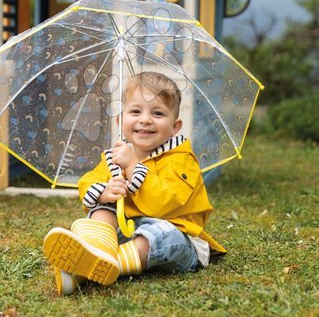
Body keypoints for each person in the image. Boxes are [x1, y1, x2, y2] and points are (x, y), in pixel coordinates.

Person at [43, 72, 226, 295]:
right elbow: (88, 181)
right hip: (130, 232)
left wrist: (133, 167)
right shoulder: (116, 156)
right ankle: (96, 249)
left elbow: (164, 203)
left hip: (176, 238)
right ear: (121, 120)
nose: (145, 119)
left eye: (158, 113)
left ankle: (99, 266)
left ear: (175, 126)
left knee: (164, 234)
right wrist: (104, 193)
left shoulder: (182, 160)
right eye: (135, 111)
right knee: (103, 209)